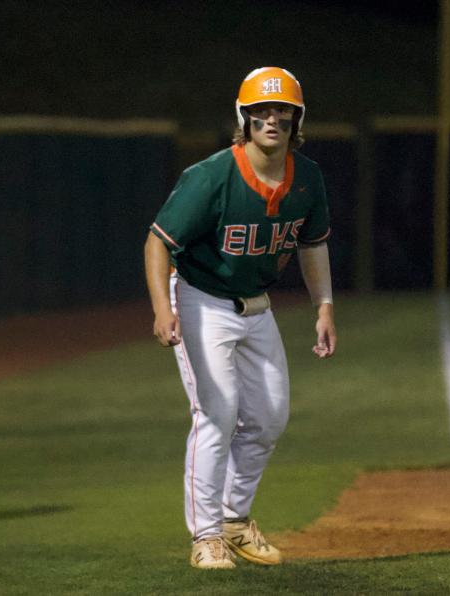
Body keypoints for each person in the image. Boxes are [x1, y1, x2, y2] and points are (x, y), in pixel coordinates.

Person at [144, 67, 336, 569]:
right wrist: (163, 309)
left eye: (282, 111)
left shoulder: (307, 177)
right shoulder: (211, 176)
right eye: (261, 111)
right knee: (218, 413)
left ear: (297, 119)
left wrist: (324, 306)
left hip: (256, 305)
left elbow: (313, 244)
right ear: (244, 118)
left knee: (270, 417)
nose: (272, 119)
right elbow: (158, 243)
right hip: (201, 298)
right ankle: (205, 535)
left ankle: (233, 519)